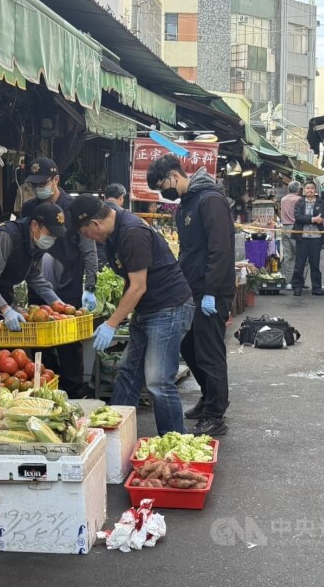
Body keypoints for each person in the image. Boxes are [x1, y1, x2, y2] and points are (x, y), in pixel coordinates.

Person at [68, 194, 193, 435]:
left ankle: (176, 441)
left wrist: (112, 323)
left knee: (158, 381)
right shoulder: (113, 233)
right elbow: (131, 282)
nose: (87, 238)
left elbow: (138, 286)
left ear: (95, 224)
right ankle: (114, 434)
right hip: (148, 308)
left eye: (84, 233)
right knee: (128, 373)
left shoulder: (132, 233)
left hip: (169, 307)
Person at [148, 155, 235, 437]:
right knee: (188, 347)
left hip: (212, 291)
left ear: (174, 176)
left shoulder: (210, 200)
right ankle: (209, 398)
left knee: (210, 352)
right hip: (190, 289)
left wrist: (210, 291)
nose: (164, 191)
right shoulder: (186, 203)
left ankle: (215, 415)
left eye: (163, 184)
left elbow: (220, 250)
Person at [20, 158, 98, 398]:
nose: (39, 189)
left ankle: (75, 393)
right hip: (37, 287)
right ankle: (46, 391)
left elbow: (88, 249)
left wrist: (90, 286)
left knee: (68, 346)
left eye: (43, 183)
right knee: (40, 344)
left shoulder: (73, 209)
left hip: (67, 288)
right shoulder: (28, 209)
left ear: (56, 180)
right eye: (35, 185)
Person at [0, 202, 68, 360]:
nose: (52, 239)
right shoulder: (7, 236)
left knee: (16, 353)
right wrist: (5, 309)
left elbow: (35, 277)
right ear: (35, 225)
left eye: (55, 235)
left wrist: (57, 303)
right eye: (50, 233)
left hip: (1, 290)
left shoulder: (37, 243)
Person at [291, 181, 324, 296]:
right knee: (299, 264)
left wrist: (312, 219)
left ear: (315, 190)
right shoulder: (299, 202)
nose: (310, 190)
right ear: (304, 190)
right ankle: (297, 287)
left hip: (316, 237)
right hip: (302, 237)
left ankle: (317, 288)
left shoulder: (321, 203)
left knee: (315, 264)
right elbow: (298, 217)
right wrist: (312, 219)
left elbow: (321, 219)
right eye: (307, 188)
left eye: (312, 188)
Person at [279, 182, 302, 289]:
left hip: (284, 228)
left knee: (288, 256)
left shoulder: (283, 200)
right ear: (298, 190)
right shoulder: (299, 199)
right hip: (295, 228)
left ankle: (288, 281)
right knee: (300, 255)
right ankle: (298, 280)